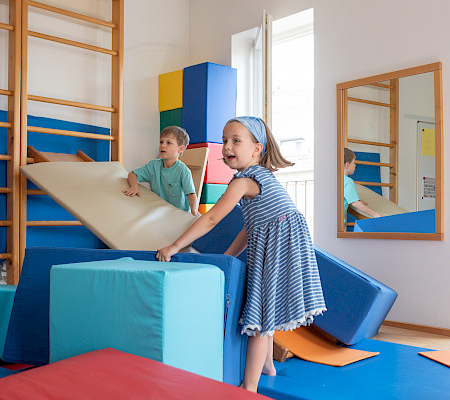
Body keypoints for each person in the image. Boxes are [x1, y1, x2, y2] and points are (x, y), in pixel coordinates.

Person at [157, 116, 326, 393]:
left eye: (236, 141)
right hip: (288, 238)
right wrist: (227, 258)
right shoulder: (262, 177)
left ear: (256, 149)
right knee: (266, 305)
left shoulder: (245, 181)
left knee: (259, 315)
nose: (227, 146)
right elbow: (249, 229)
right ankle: (268, 365)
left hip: (281, 242)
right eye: (225, 140)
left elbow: (211, 219)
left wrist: (175, 246)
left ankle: (249, 386)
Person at [123, 126, 199, 215]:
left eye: (168, 143)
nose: (163, 145)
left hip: (179, 215)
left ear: (180, 149)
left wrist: (194, 211)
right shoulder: (153, 166)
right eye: (161, 142)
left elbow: (191, 194)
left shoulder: (183, 170)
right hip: (158, 213)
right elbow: (132, 174)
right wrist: (134, 187)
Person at [342, 148, 381, 224]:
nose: (355, 165)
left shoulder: (336, 179)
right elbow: (355, 203)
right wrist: (375, 214)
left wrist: (357, 200)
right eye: (354, 162)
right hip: (338, 225)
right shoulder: (348, 181)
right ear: (347, 165)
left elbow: (346, 197)